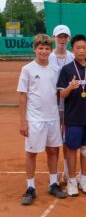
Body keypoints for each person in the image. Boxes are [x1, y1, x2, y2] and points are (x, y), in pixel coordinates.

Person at [18, 34, 67, 205]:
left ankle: (53, 184)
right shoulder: (27, 69)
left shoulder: (56, 69)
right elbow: (23, 97)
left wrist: (62, 119)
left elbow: (59, 94)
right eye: (41, 48)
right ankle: (30, 187)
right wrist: (23, 121)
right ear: (35, 49)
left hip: (53, 118)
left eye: (47, 48)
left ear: (50, 50)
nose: (44, 51)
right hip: (34, 119)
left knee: (53, 151)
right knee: (31, 153)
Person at [57, 35, 86, 196]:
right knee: (72, 149)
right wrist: (70, 87)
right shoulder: (66, 69)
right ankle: (72, 180)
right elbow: (62, 95)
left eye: (84, 47)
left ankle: (84, 178)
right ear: (72, 50)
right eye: (78, 48)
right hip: (73, 118)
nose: (81, 50)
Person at [48, 25, 74, 182]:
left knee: (67, 140)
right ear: (54, 37)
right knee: (53, 141)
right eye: (59, 36)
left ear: (69, 39)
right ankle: (55, 173)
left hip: (70, 106)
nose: (62, 39)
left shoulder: (72, 57)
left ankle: (66, 171)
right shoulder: (47, 57)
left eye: (65, 36)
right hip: (52, 107)